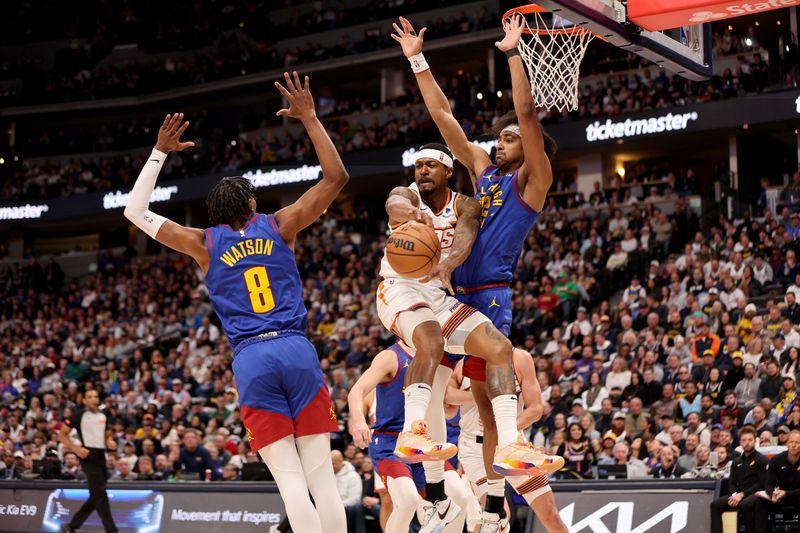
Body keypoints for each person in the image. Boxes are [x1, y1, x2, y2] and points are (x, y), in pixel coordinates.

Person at [122, 73, 347, 533]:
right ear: (249, 202)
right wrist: (309, 118)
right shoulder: (279, 224)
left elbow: (133, 211)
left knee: (290, 482)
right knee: (321, 477)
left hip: (251, 358)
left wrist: (159, 152)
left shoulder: (203, 243)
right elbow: (336, 176)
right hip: (294, 348)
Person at [391, 14, 563, 531]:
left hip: (486, 298)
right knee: (436, 399)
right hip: (444, 297)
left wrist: (514, 53)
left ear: (529, 151)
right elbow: (445, 119)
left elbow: (528, 114)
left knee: (488, 412)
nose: (499, 142)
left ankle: (490, 505)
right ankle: (448, 494)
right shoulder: (484, 175)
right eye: (499, 138)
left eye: (508, 139)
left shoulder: (531, 185)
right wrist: (417, 60)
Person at [348, 342, 475, 533]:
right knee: (407, 501)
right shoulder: (391, 356)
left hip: (425, 443)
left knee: (460, 496)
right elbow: (356, 391)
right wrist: (358, 420)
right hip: (391, 443)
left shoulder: (437, 355)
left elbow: (447, 408)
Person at [447, 349, 567, 533]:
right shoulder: (461, 362)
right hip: (475, 450)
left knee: (551, 516)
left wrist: (503, 426)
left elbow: (535, 409)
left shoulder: (520, 358)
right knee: (497, 517)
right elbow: (448, 399)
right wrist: (479, 397)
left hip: (513, 445)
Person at [57, 389, 118, 533]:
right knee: (101, 495)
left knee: (96, 496)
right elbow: (61, 435)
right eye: (89, 397)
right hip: (87, 457)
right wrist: (76, 449)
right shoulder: (78, 416)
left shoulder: (103, 416)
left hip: (101, 458)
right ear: (84, 400)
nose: (93, 399)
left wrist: (109, 441)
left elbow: (106, 434)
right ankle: (112, 530)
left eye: (96, 396)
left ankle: (71, 526)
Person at [709, 426, 766, 533]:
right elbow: (731, 482)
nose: (747, 443)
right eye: (744, 440)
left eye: (750, 440)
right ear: (740, 442)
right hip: (738, 495)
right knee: (715, 505)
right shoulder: (736, 461)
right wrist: (735, 495)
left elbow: (761, 483)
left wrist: (742, 495)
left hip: (755, 493)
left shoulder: (762, 459)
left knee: (746, 505)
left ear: (755, 441)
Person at [754, 430, 800, 533]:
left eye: (797, 442)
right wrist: (772, 494)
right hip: (779, 496)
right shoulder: (776, 460)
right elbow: (769, 484)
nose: (793, 445)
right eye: (791, 442)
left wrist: (786, 493)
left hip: (796, 495)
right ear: (787, 444)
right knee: (760, 502)